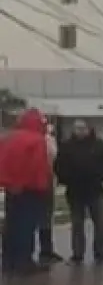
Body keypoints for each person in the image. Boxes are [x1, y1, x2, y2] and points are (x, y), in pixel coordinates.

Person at [54, 119, 103, 265]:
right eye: (77, 128)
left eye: (82, 128)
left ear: (89, 129)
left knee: (99, 223)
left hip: (95, 190)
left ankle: (100, 254)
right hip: (75, 191)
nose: (79, 131)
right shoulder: (67, 146)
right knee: (77, 224)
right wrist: (67, 179)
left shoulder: (99, 145)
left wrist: (100, 176)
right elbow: (58, 166)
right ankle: (77, 255)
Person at [0, 108, 54, 274]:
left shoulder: (9, 138)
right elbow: (37, 167)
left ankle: (8, 261)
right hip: (30, 189)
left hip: (11, 188)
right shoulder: (37, 140)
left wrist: (9, 183)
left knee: (11, 224)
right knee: (27, 225)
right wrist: (41, 186)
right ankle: (24, 262)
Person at [37, 122, 63, 264]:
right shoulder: (46, 140)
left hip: (41, 181)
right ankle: (45, 250)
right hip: (45, 180)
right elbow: (54, 157)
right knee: (45, 216)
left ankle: (45, 250)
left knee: (43, 217)